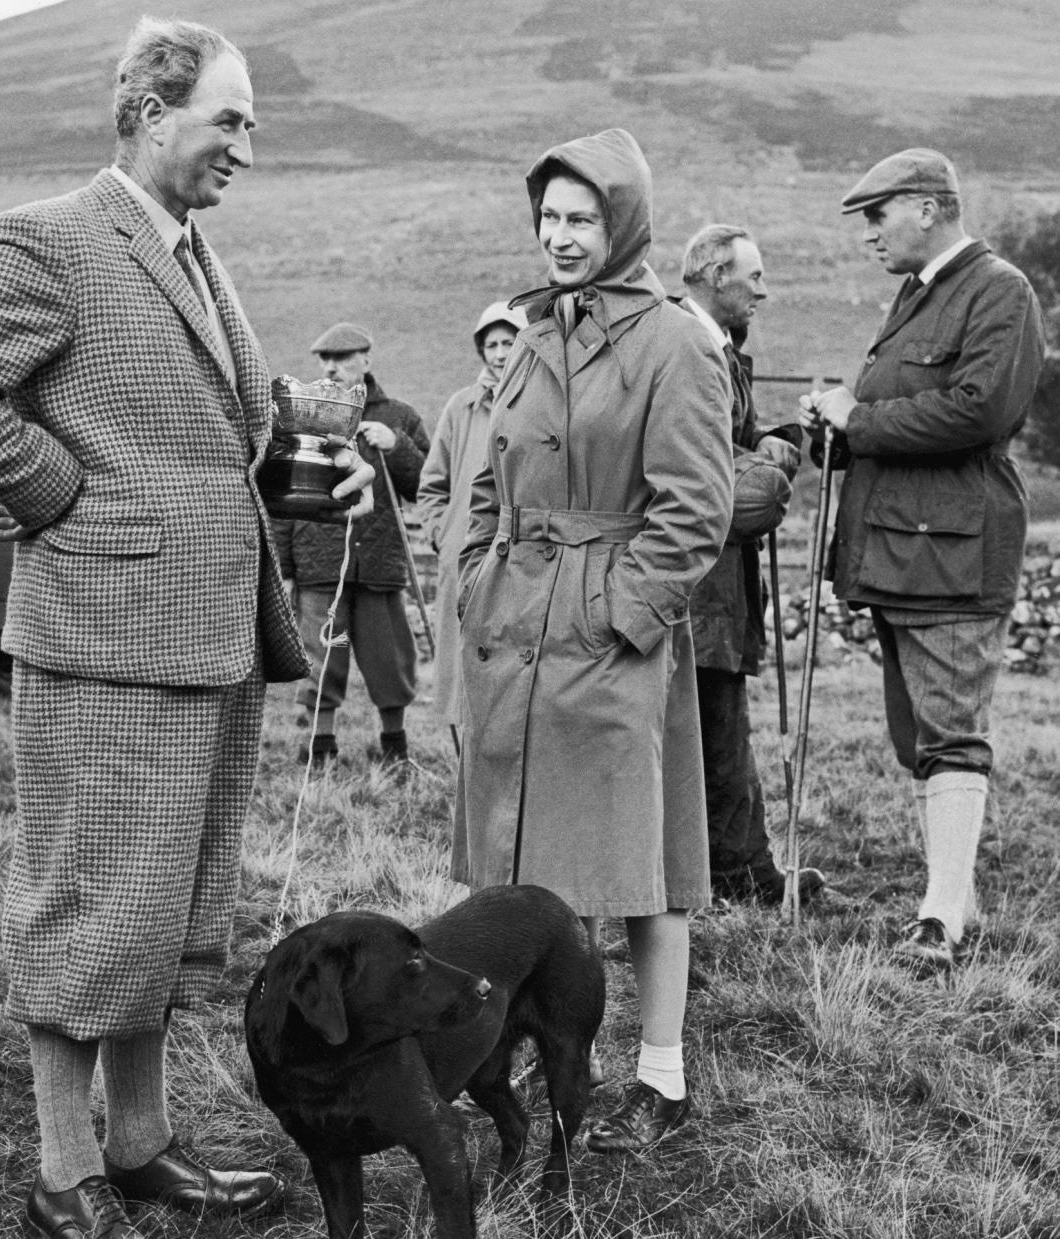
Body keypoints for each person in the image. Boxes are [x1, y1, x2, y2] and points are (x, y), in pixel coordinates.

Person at [0, 19, 374, 1239]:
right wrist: (61, 493)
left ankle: (143, 1146)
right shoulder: (51, 241)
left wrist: (330, 435)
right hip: (103, 634)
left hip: (203, 640)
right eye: (230, 121)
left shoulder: (193, 252)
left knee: (161, 910)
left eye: (249, 125)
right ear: (153, 113)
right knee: (86, 904)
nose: (245, 149)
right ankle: (64, 1174)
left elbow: (233, 408)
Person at [452, 129, 733, 1152]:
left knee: (640, 856)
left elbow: (695, 512)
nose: (561, 238)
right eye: (549, 218)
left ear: (624, 224)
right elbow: (490, 480)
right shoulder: (532, 337)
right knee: (519, 863)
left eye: (583, 219)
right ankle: (521, 1055)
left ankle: (660, 1070)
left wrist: (615, 614)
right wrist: (480, 578)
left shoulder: (677, 341)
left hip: (609, 639)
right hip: (513, 631)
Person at [800, 148, 1044, 970]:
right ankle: (956, 889)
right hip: (904, 555)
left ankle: (940, 918)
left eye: (878, 214)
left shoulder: (999, 290)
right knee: (919, 737)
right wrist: (836, 422)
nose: (869, 232)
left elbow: (978, 411)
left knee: (950, 735)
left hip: (952, 556)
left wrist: (857, 417)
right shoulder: (919, 296)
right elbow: (905, 408)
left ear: (930, 208)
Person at [675, 224, 826, 905]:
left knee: (719, 721)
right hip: (690, 577)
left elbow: (727, 441)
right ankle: (737, 874)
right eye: (753, 275)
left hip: (717, 575)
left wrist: (764, 439)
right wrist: (757, 465)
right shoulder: (684, 347)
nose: (764, 288)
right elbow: (689, 459)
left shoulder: (721, 348)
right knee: (712, 724)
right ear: (712, 275)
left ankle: (737, 868)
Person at [273, 323, 430, 768]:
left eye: (341, 358)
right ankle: (319, 751)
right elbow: (284, 498)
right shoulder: (302, 417)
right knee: (323, 656)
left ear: (367, 360)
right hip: (319, 561)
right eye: (324, 359)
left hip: (379, 562)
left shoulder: (399, 416)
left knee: (389, 659)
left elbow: (427, 486)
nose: (331, 367)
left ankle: (395, 750)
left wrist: (396, 445)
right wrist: (285, 569)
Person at [417, 300, 528, 742]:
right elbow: (432, 485)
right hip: (463, 558)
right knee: (462, 667)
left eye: (510, 342)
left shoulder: (543, 402)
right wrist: (443, 534)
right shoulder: (460, 407)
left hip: (520, 558)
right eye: (492, 344)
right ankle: (465, 770)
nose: (501, 354)